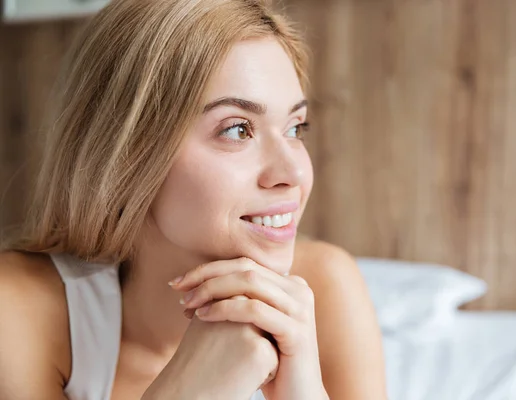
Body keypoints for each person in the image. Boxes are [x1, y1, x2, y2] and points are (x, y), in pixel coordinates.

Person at [0, 0, 386, 399]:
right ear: (126, 155)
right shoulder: (18, 310)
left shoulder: (325, 288)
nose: (293, 174)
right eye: (237, 130)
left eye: (294, 128)